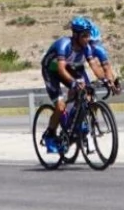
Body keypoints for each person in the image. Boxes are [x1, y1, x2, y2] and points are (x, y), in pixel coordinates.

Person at [39, 16, 101, 154]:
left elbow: (94, 67)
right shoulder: (64, 44)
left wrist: (106, 80)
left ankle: (72, 124)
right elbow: (60, 69)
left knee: (85, 91)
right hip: (51, 71)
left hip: (67, 69)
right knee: (60, 107)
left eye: (89, 35)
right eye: (84, 35)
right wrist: (73, 83)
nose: (87, 39)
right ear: (76, 35)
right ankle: (49, 134)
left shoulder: (86, 48)